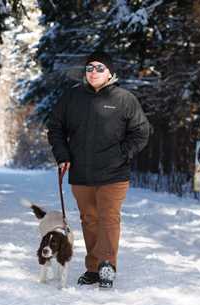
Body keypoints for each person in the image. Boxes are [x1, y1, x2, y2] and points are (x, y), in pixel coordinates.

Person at [47, 51, 150, 288]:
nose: (93, 72)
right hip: (81, 173)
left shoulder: (124, 99)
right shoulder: (72, 98)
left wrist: (122, 153)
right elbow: (55, 128)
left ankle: (107, 266)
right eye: (90, 68)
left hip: (114, 173)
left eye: (99, 68)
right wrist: (62, 155)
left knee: (109, 217)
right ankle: (93, 269)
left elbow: (142, 131)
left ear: (110, 73)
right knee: (89, 219)